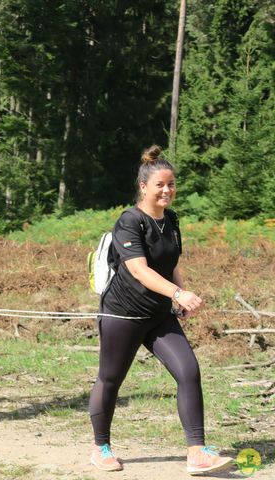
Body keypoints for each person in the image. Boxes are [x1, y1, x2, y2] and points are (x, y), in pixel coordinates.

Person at [87, 145, 233, 475]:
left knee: (188, 370)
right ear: (143, 187)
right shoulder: (129, 221)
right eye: (160, 185)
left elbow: (169, 264)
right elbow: (139, 269)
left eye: (171, 184)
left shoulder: (172, 220)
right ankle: (101, 447)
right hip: (123, 314)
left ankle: (196, 452)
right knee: (110, 380)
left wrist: (177, 296)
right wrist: (178, 293)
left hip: (158, 316)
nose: (167, 190)